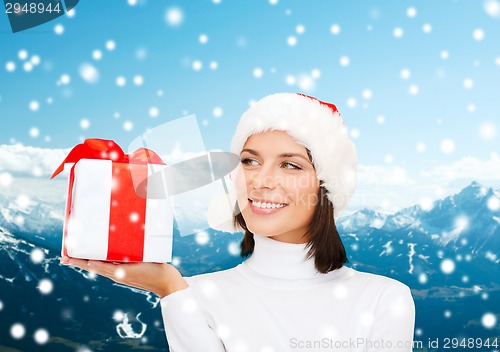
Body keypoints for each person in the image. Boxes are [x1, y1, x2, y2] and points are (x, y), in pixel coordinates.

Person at [61, 92, 416, 352]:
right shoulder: (192, 295)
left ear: (325, 187)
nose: (261, 180)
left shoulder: (383, 300)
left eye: (290, 164)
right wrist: (171, 291)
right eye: (249, 161)